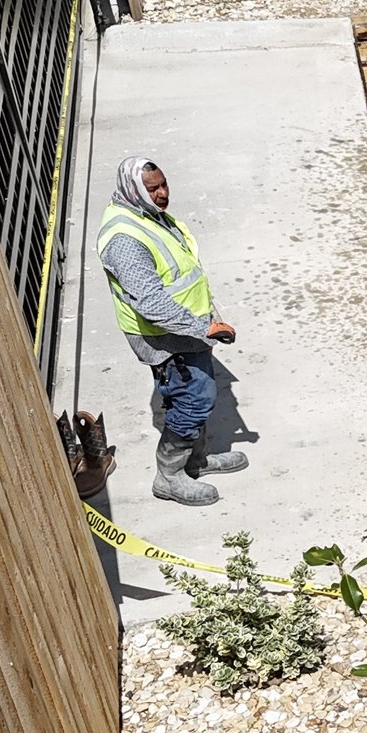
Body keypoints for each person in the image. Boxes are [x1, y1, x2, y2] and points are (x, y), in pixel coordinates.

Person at [96, 157, 245, 507]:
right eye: (153, 189)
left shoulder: (148, 215)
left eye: (163, 185)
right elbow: (150, 302)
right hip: (163, 334)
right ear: (135, 190)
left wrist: (205, 319)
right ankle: (169, 476)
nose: (163, 194)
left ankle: (196, 461)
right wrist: (204, 328)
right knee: (193, 399)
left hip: (186, 326)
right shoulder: (124, 240)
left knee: (198, 391)